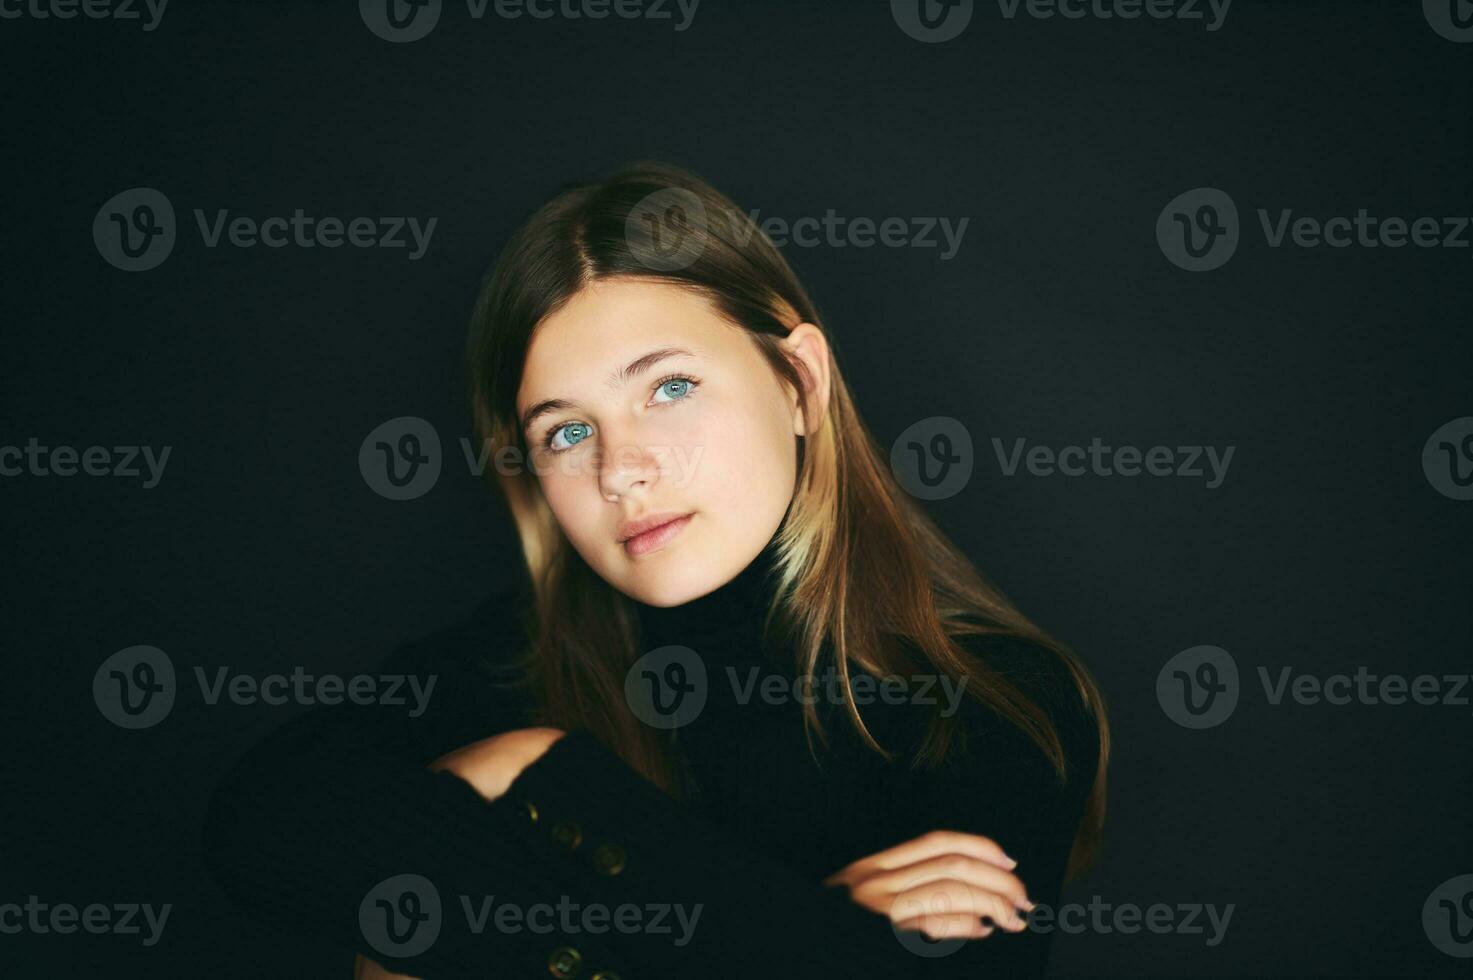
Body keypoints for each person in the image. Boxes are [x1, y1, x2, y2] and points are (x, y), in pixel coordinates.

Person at [202, 160, 1110, 979]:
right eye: (565, 431)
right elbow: (258, 831)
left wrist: (534, 778)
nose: (620, 469)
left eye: (668, 388)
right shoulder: (504, 669)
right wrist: (807, 933)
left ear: (798, 384)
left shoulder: (992, 700)